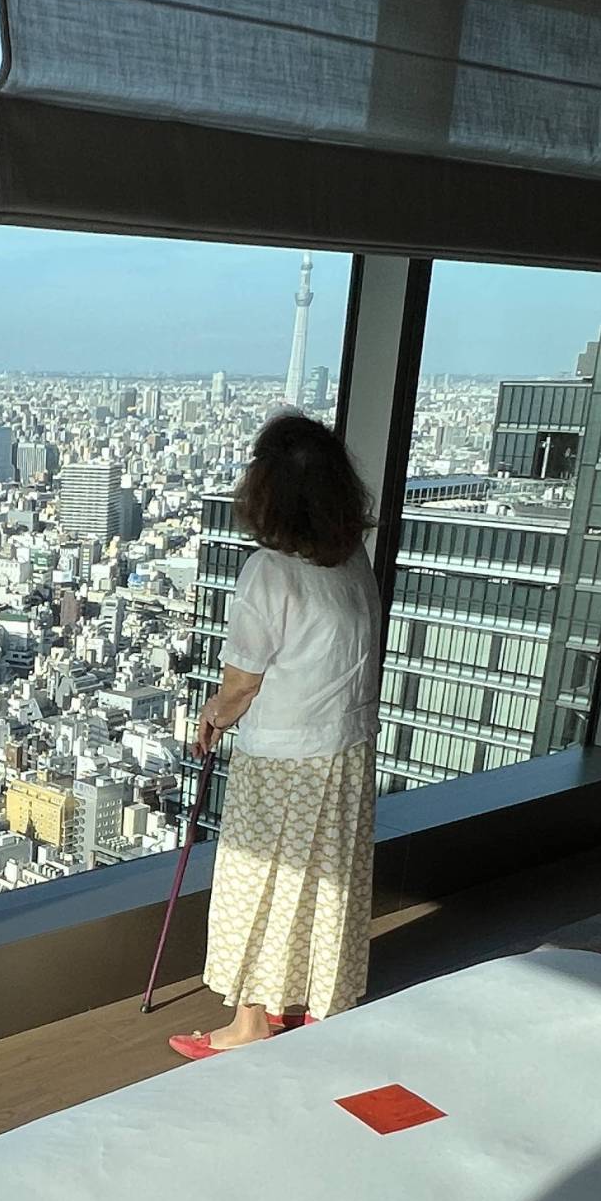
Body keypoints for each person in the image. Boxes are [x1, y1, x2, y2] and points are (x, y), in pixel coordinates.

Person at [172, 413, 380, 1060]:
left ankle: (250, 1022)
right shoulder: (351, 559)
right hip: (347, 746)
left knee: (256, 880)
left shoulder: (270, 572)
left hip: (285, 755)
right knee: (325, 879)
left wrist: (213, 714)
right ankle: (317, 1000)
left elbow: (241, 683)